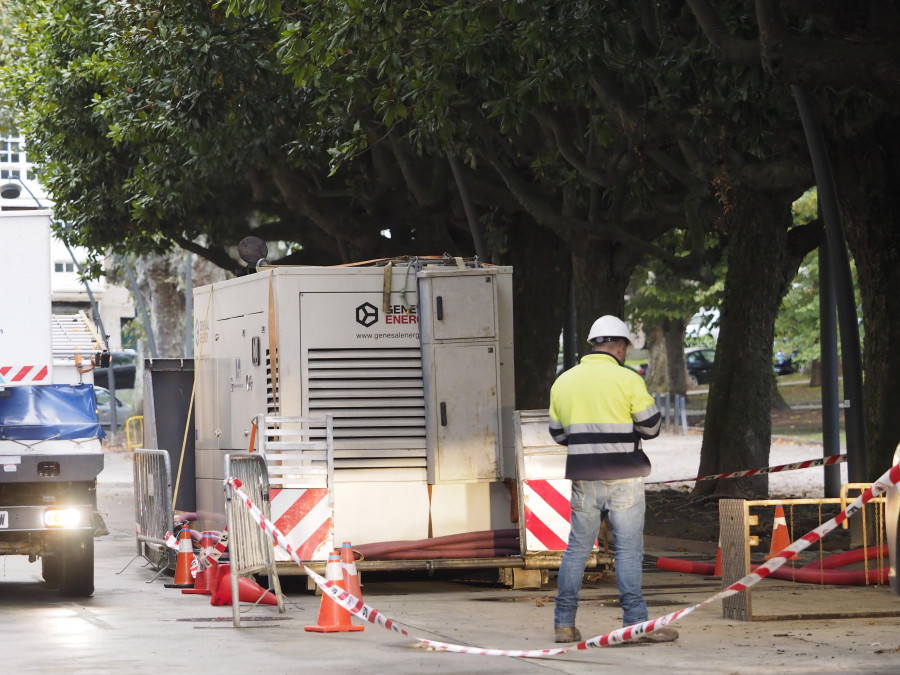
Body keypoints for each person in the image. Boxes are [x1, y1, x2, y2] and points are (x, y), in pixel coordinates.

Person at [549, 315, 678, 644]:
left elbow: (558, 434)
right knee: (629, 552)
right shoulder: (629, 380)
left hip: (584, 478)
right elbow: (651, 428)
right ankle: (635, 625)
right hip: (624, 477)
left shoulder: (564, 381)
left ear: (594, 345)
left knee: (577, 550)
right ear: (619, 347)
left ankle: (564, 623)